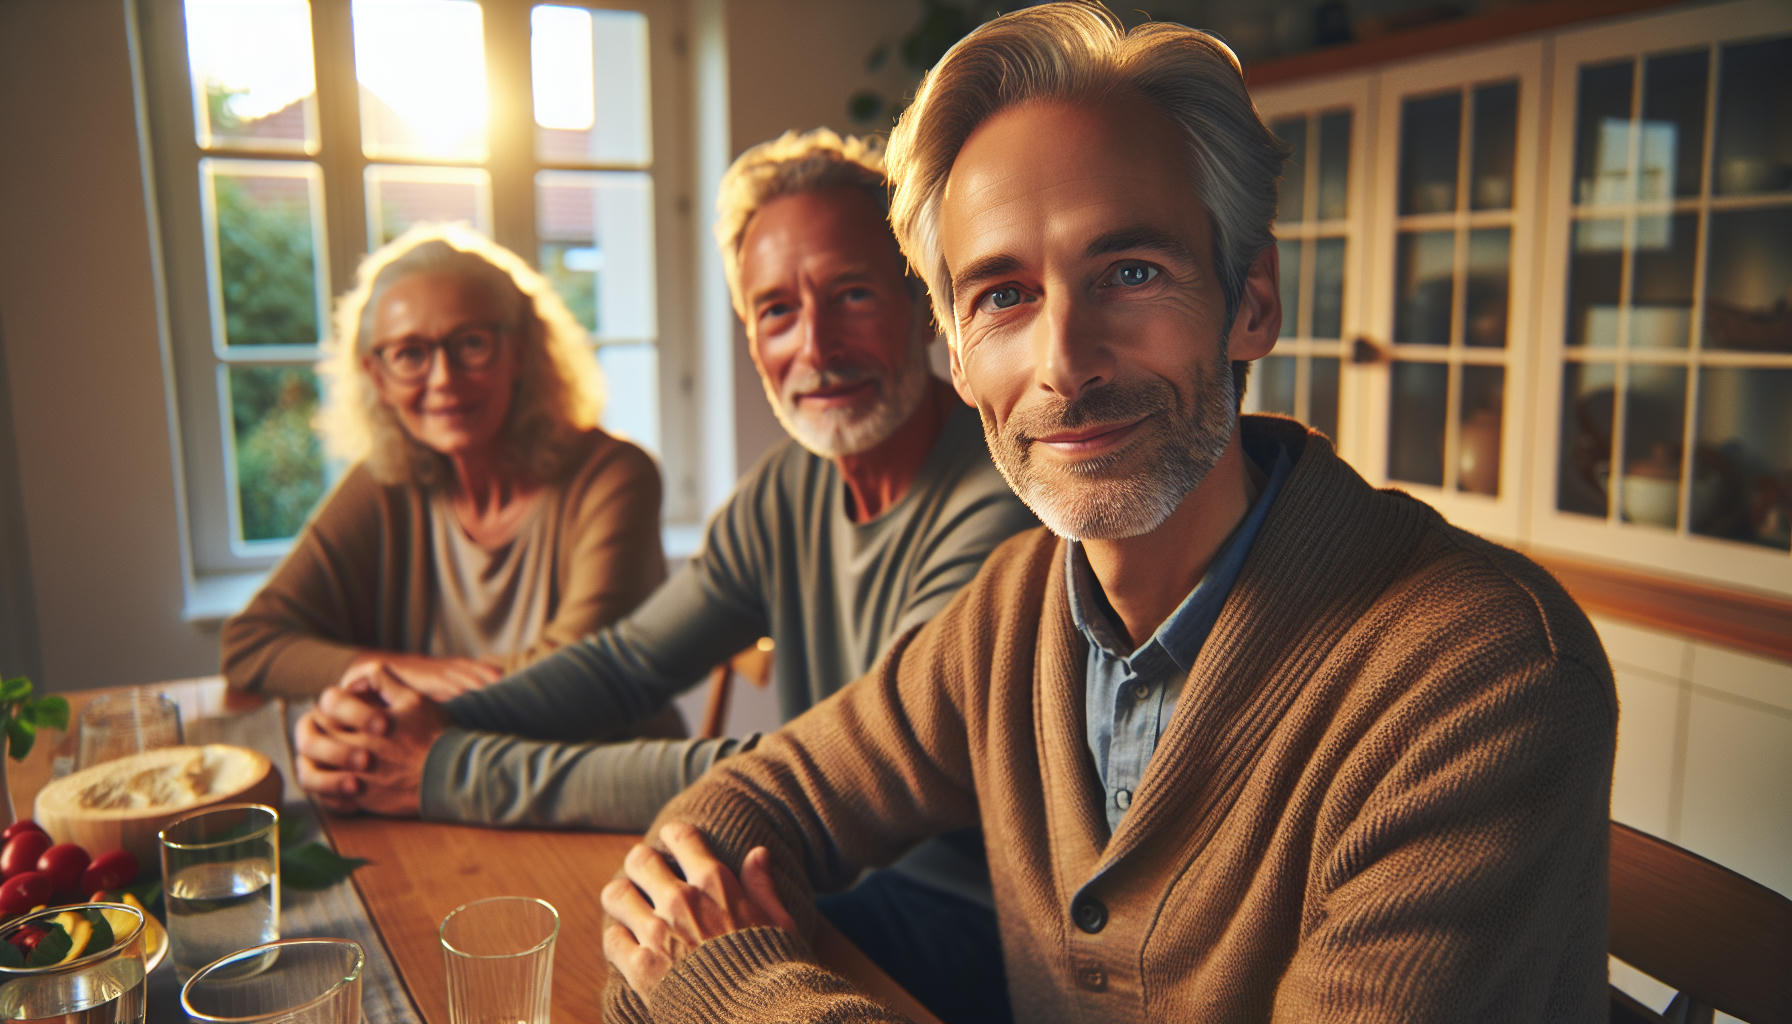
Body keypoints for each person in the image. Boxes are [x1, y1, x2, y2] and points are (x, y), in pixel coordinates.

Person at [598, 5, 1618, 1023]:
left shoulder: (1482, 675)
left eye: (1130, 272)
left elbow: (701, 961)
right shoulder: (1014, 608)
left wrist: (730, 983)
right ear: (956, 355)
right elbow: (748, 807)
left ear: (1251, 299)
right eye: (1002, 296)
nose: (1063, 365)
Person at [293, 130, 1038, 1023]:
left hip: (975, 931)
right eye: (775, 311)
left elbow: (814, 777)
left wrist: (445, 767)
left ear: (926, 306)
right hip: (807, 876)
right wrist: (414, 727)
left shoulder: (999, 500)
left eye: (852, 294)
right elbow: (626, 664)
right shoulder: (789, 488)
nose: (815, 346)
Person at [221, 223, 668, 702]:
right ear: (378, 376)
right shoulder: (384, 485)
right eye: (410, 354)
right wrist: (397, 671)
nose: (443, 380)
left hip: (591, 770)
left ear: (519, 351)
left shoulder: (615, 476)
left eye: (471, 344)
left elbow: (572, 679)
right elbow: (249, 644)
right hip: (436, 765)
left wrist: (393, 694)